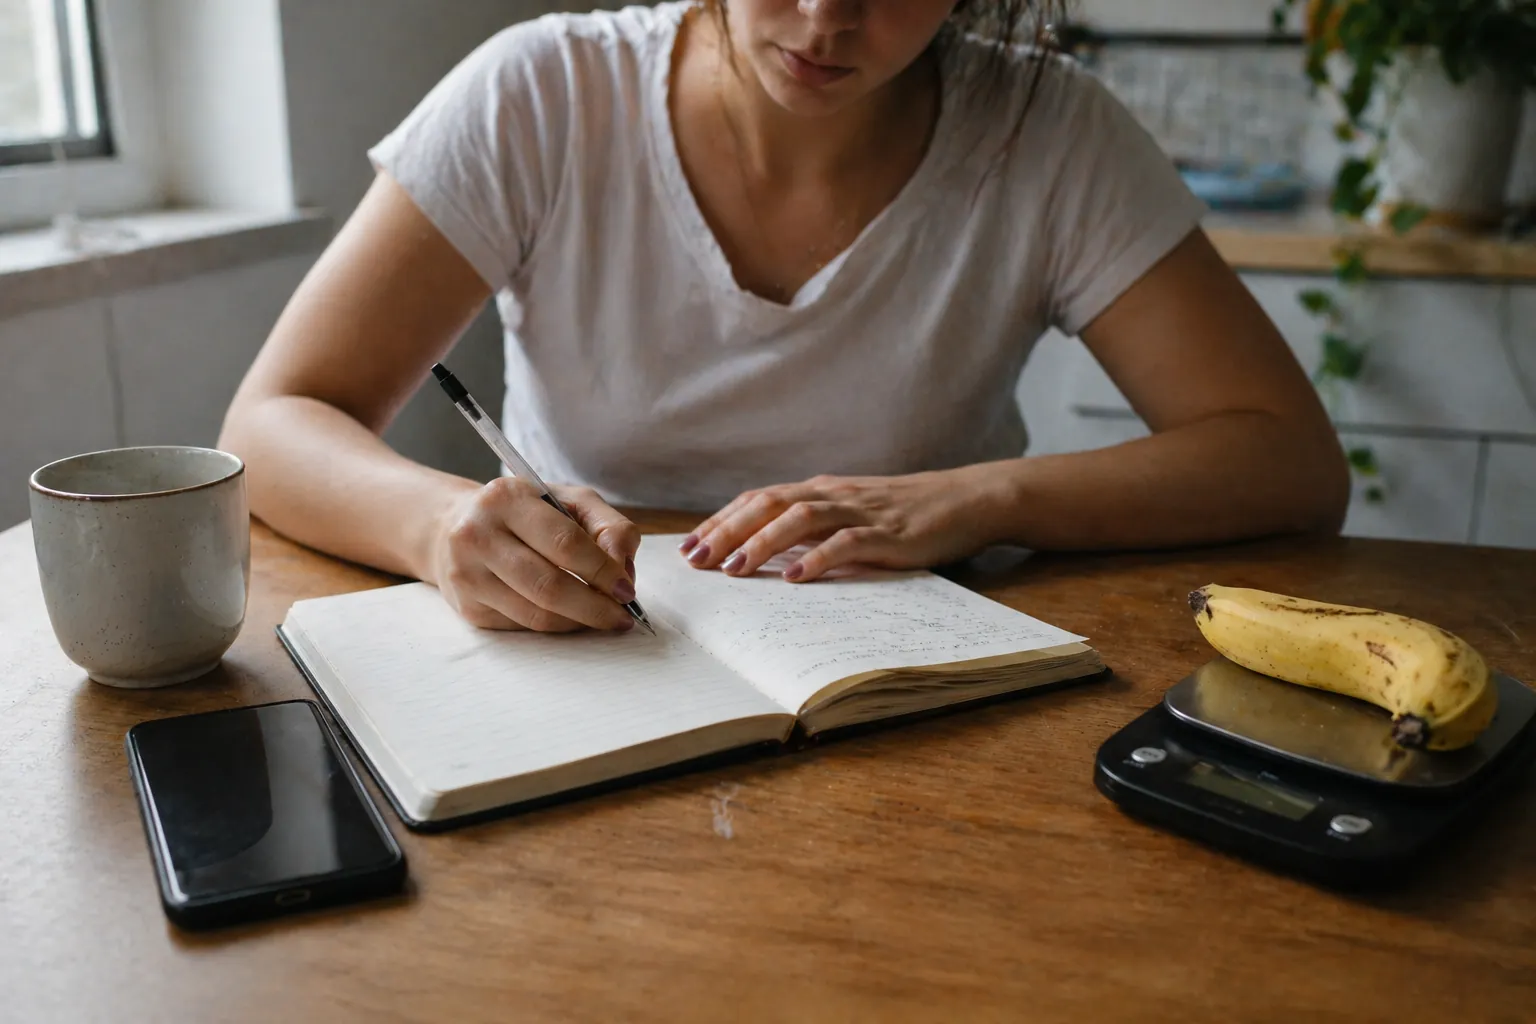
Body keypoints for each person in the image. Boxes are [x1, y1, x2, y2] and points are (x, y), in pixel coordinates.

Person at [219, 0, 1350, 636]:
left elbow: (1285, 457)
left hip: (923, 692)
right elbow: (269, 423)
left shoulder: (1048, 134)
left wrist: (982, 495)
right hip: (596, 663)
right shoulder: (543, 94)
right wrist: (440, 524)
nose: (825, 21)